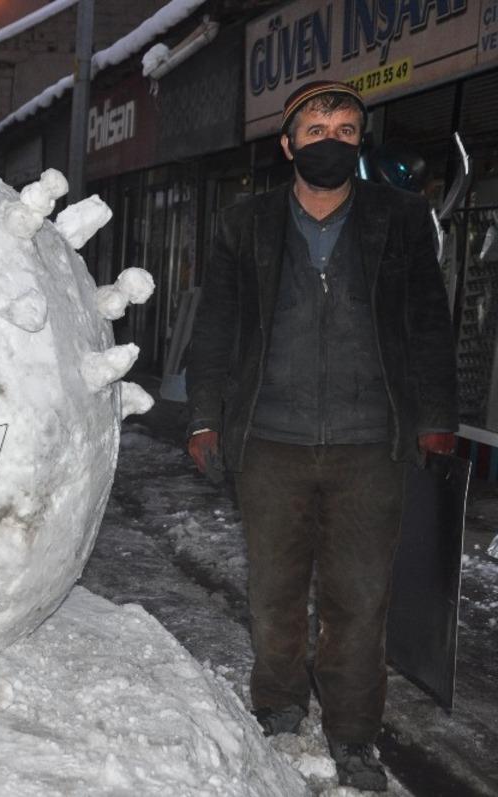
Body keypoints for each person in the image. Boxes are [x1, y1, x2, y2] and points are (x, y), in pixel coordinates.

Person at [185, 80, 457, 792]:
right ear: (288, 146)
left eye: (345, 130)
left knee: (359, 599)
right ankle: (278, 702)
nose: (330, 141)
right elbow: (216, 325)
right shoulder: (244, 223)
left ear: (359, 142)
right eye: (315, 130)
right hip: (269, 441)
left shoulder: (400, 219)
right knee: (274, 588)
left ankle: (354, 732)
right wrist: (204, 415)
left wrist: (436, 419)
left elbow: (429, 324)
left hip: (371, 444)